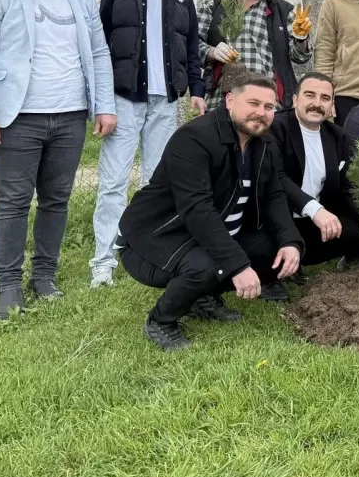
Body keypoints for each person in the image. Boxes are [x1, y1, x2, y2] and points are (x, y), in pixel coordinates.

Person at [0, 0, 117, 319]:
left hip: (69, 116)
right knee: (12, 201)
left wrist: (104, 105)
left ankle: (44, 277)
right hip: (17, 118)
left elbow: (99, 53)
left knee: (57, 200)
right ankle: (8, 286)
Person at [115, 73, 304, 350]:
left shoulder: (263, 143)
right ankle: (161, 321)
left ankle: (203, 298)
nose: (261, 113)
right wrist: (237, 265)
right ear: (230, 100)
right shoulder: (194, 139)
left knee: (271, 248)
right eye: (253, 103)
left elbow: (275, 195)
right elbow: (197, 209)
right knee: (206, 264)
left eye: (268, 107)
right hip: (154, 239)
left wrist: (290, 241)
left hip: (208, 233)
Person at [90, 0, 206, 289]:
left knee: (157, 180)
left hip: (166, 99)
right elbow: (99, 41)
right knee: (114, 180)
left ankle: (143, 249)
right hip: (125, 97)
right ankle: (103, 261)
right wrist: (101, 99)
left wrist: (197, 90)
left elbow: (190, 46)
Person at [269, 72, 359, 290]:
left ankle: (298, 258)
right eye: (310, 95)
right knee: (266, 245)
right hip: (277, 218)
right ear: (295, 99)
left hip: (313, 220)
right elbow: (276, 178)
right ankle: (280, 265)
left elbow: (346, 187)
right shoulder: (276, 128)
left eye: (325, 98)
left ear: (332, 105)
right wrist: (314, 209)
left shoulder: (337, 136)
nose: (317, 104)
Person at [198, 0, 312, 109]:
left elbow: (301, 58)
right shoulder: (215, 3)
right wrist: (212, 52)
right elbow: (190, 44)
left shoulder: (283, 11)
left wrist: (301, 38)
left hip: (269, 102)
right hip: (222, 101)